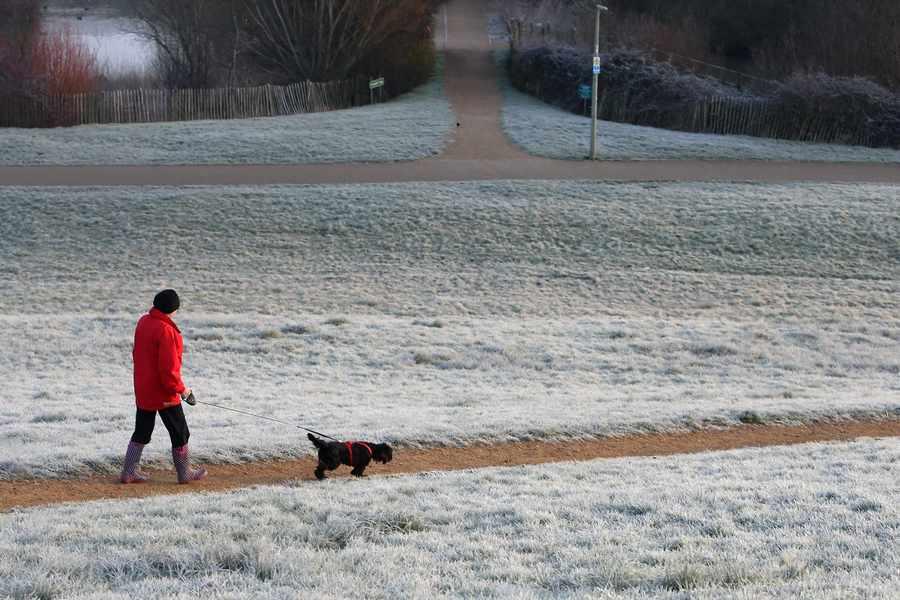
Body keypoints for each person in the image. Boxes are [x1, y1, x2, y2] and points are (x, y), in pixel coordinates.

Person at [120, 289, 207, 484]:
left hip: (143, 386)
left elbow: (137, 354)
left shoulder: (144, 321)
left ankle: (128, 471)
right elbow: (169, 370)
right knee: (180, 431)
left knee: (142, 430)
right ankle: (184, 473)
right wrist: (183, 390)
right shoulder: (166, 330)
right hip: (163, 393)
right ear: (173, 309)